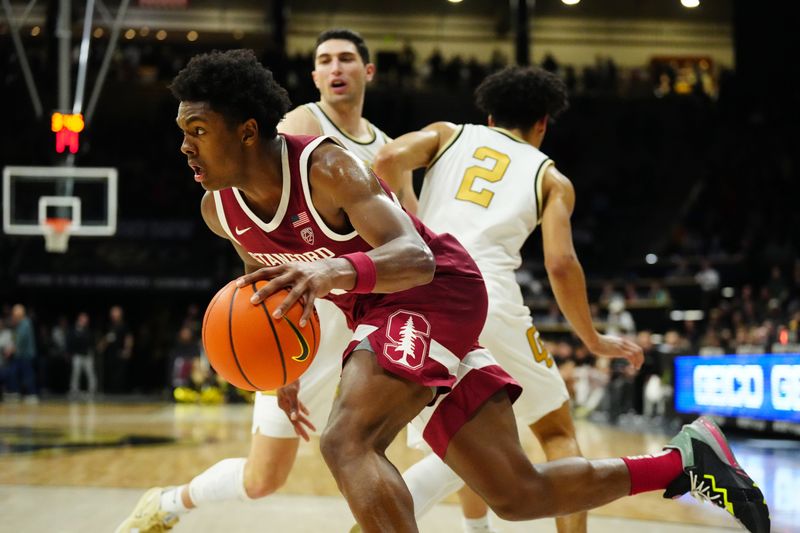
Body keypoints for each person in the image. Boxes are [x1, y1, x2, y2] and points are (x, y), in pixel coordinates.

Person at [137, 50, 770, 533]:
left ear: (247, 131)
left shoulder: (325, 166)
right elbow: (267, 293)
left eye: (197, 129)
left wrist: (335, 272)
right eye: (182, 130)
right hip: (384, 315)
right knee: (516, 493)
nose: (184, 145)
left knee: (346, 440)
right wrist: (283, 376)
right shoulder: (219, 210)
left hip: (435, 289)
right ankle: (684, 461)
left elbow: (412, 257)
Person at [117, 29, 404, 532]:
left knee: (390, 440)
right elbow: (260, 265)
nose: (336, 68)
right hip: (306, 322)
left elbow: (412, 238)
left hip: (381, 314)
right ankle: (167, 503)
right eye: (324, 60)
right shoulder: (280, 142)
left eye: (346, 59)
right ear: (314, 75)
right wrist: (284, 371)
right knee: (263, 477)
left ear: (367, 70)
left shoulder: (370, 153)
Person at [371, 65, 592, 532]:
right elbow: (560, 265)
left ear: (489, 117)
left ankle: (475, 530)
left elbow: (387, 159)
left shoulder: (448, 133)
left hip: (422, 290)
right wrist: (592, 337)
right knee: (555, 431)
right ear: (542, 124)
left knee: (466, 429)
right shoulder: (552, 178)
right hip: (486, 290)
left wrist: (411, 213)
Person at [5, 304, 38, 403]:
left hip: (25, 354)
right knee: (15, 372)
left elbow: (21, 339)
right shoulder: (20, 324)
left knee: (27, 374)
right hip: (20, 354)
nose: (13, 317)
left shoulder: (25, 323)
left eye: (15, 315)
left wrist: (11, 350)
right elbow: (16, 338)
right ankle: (16, 392)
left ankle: (32, 394)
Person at [67, 312, 98, 399]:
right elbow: (70, 342)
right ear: (79, 319)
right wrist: (70, 353)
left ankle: (92, 390)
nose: (85, 321)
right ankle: (74, 390)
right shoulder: (74, 330)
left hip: (87, 355)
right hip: (77, 355)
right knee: (75, 373)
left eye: (86, 320)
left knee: (90, 373)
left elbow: (91, 342)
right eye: (83, 319)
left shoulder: (88, 331)